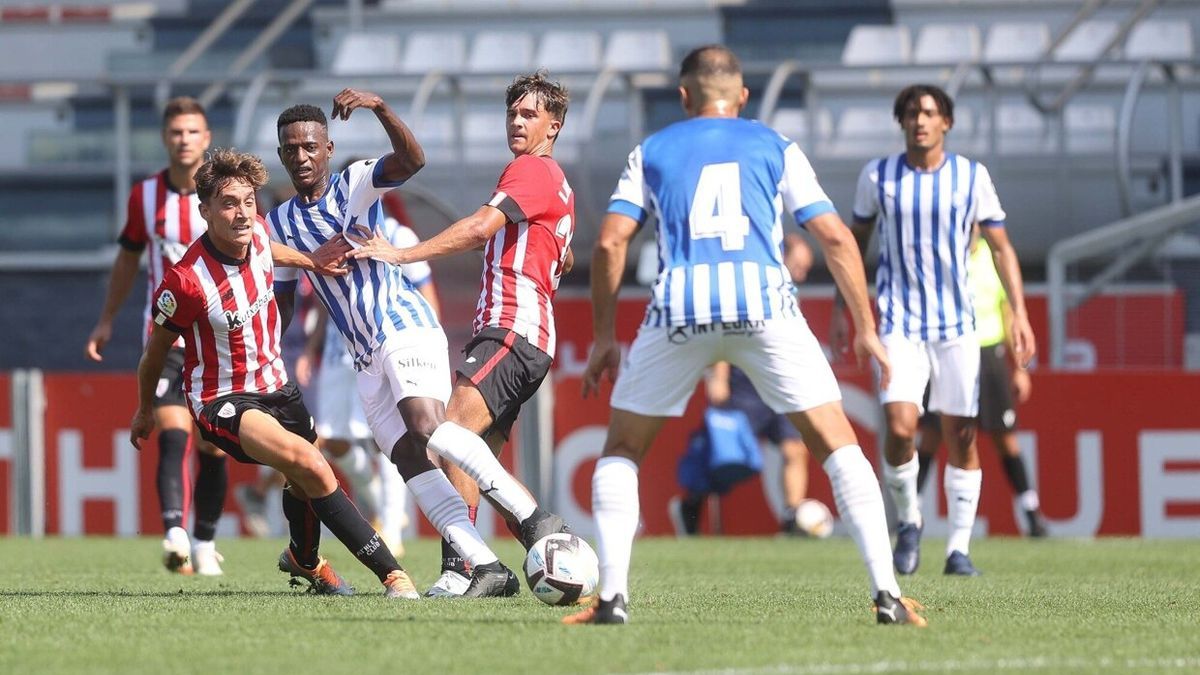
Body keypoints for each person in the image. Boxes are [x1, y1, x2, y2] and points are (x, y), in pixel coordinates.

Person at [564, 45, 924, 626]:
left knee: (624, 451)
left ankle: (611, 600)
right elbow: (834, 236)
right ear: (743, 97)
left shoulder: (652, 149)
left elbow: (609, 243)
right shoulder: (775, 146)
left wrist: (605, 336)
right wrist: (865, 326)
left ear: (684, 97)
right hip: (764, 306)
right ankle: (887, 596)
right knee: (837, 446)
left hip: (680, 308)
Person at [267, 89, 552, 597]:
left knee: (427, 426)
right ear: (282, 152)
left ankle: (533, 520)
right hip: (362, 357)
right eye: (292, 148)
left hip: (402, 326)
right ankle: (485, 565)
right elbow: (283, 301)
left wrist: (380, 110)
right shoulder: (280, 223)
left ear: (328, 149)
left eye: (311, 146)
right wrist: (267, 347)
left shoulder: (355, 183)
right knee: (408, 459)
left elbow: (412, 160)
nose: (302, 157)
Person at [129, 148, 421, 599]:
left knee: (303, 481)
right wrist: (145, 408)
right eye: (228, 203)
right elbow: (154, 354)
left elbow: (273, 248)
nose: (242, 213)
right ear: (204, 210)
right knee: (310, 463)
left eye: (249, 201)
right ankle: (393, 575)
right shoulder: (186, 282)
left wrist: (312, 260)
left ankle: (304, 559)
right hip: (222, 399)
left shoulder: (259, 234)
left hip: (278, 388)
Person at [344, 72, 575, 597]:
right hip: (527, 331)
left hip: (512, 329)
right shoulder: (555, 182)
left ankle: (500, 551)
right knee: (470, 456)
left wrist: (400, 253)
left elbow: (477, 228)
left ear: (553, 126)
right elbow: (554, 251)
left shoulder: (531, 170)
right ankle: (487, 563)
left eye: (529, 115)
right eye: (512, 113)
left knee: (448, 436)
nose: (517, 122)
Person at [831, 84, 1037, 577]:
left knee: (961, 435)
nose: (919, 121)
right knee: (901, 429)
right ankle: (909, 521)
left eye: (928, 113)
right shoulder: (877, 176)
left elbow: (1003, 247)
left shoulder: (971, 177)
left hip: (957, 326)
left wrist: (1020, 314)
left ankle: (959, 549)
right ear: (900, 122)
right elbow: (851, 244)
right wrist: (847, 308)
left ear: (946, 122)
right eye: (910, 113)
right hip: (900, 323)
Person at [85, 97, 229, 576]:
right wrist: (106, 319)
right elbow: (128, 259)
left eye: (193, 132)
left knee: (212, 446)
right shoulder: (145, 196)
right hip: (165, 337)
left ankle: (205, 541)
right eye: (176, 132)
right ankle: (174, 534)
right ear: (165, 138)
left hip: (219, 340)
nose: (184, 140)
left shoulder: (228, 196)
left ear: (206, 139)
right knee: (173, 433)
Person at [296, 213, 442, 555]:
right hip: (337, 353)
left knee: (387, 441)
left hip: (383, 348)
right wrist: (310, 349)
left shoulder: (396, 233)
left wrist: (427, 345)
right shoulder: (331, 236)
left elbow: (425, 292)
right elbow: (324, 296)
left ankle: (391, 527)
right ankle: (377, 499)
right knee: (328, 439)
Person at [669, 234, 817, 536]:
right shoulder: (753, 281)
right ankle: (690, 504)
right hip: (745, 386)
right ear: (781, 256)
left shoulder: (789, 292)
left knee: (794, 449)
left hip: (779, 384)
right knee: (727, 459)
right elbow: (728, 330)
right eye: (799, 265)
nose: (802, 273)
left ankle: (792, 520)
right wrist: (720, 376)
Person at [915, 234, 1048, 537]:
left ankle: (1031, 512)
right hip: (949, 350)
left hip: (988, 355)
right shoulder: (943, 254)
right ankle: (911, 512)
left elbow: (1007, 312)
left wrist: (1019, 368)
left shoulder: (993, 256)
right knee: (933, 434)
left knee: (1005, 437)